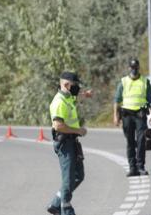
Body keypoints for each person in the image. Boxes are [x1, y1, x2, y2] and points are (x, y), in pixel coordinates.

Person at [47, 72, 89, 215]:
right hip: (65, 143)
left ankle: (56, 203)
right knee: (69, 178)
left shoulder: (68, 97)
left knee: (78, 176)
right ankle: (66, 210)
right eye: (75, 86)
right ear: (66, 85)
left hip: (72, 141)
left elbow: (77, 96)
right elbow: (58, 125)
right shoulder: (59, 102)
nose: (77, 88)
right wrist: (78, 130)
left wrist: (85, 94)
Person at [113, 58, 151, 177]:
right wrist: (115, 116)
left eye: (136, 67)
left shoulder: (144, 81)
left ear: (138, 68)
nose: (134, 70)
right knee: (130, 142)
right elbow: (116, 100)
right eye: (132, 68)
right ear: (129, 68)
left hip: (140, 114)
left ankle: (140, 166)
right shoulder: (123, 82)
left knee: (142, 141)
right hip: (127, 115)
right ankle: (132, 168)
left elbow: (150, 100)